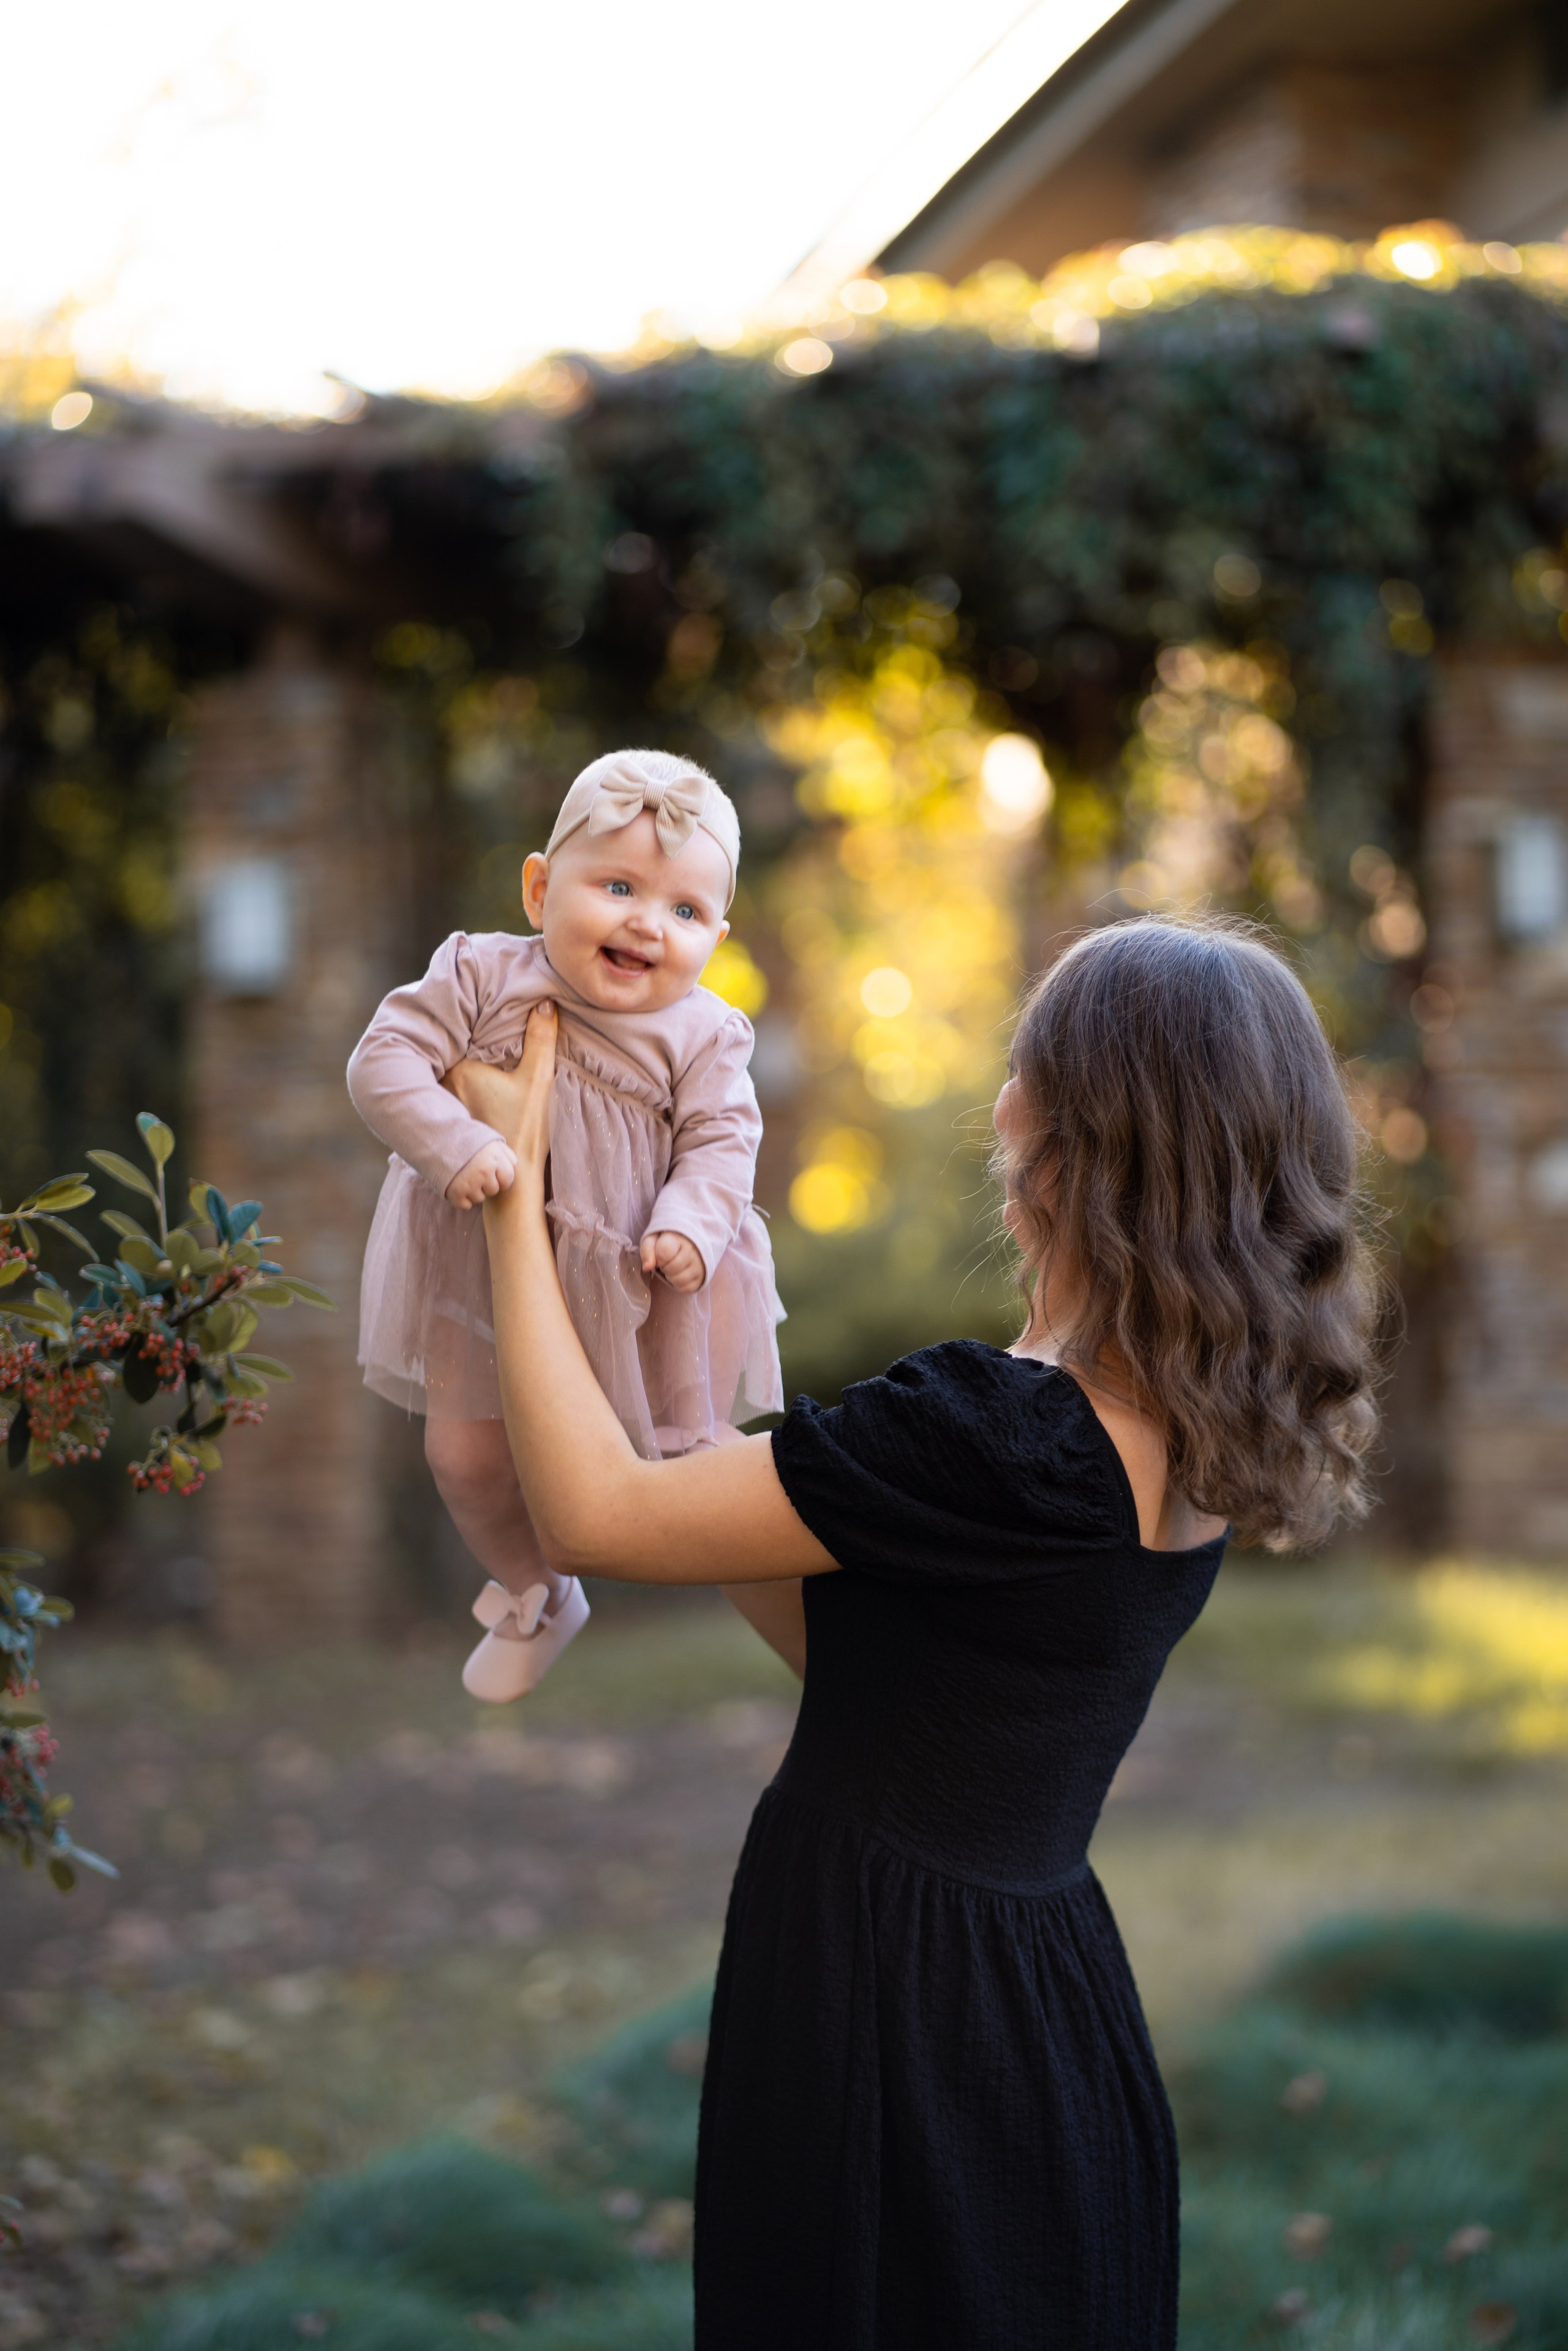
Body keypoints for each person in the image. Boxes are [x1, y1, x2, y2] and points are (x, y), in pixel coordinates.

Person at [448, 914, 1383, 2350]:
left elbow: (585, 1516)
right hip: (1036, 1989)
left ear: (1069, 1131)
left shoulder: (1005, 1433)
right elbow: (888, 1674)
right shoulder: (1183, 1417)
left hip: (889, 1992)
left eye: (1024, 1061)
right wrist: (693, 1426)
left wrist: (507, 1188)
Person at [346, 749, 783, 1702]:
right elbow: (381, 1062)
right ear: (541, 889)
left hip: (642, 1279)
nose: (645, 922)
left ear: (717, 932)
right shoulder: (479, 973)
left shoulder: (707, 1034)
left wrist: (690, 1226)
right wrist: (456, 1142)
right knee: (463, 1455)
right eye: (618, 886)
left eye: (684, 910)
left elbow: (723, 1142)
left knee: (678, 1461)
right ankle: (535, 1591)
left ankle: (818, 1617)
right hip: (483, 1269)